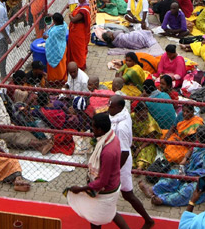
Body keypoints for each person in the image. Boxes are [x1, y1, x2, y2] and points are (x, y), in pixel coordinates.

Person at [65, 111, 132, 229]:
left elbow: (102, 182)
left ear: (100, 130)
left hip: (106, 189)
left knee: (95, 218)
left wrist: (80, 189)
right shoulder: (112, 137)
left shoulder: (107, 151)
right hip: (114, 183)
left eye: (93, 128)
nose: (92, 130)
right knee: (111, 213)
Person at [109, 95, 155, 229]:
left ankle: (148, 220)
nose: (109, 109)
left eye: (111, 107)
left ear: (119, 108)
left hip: (121, 161)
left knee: (127, 194)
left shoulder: (121, 127)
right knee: (123, 194)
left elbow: (123, 152)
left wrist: (115, 171)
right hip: (117, 158)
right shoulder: (122, 114)